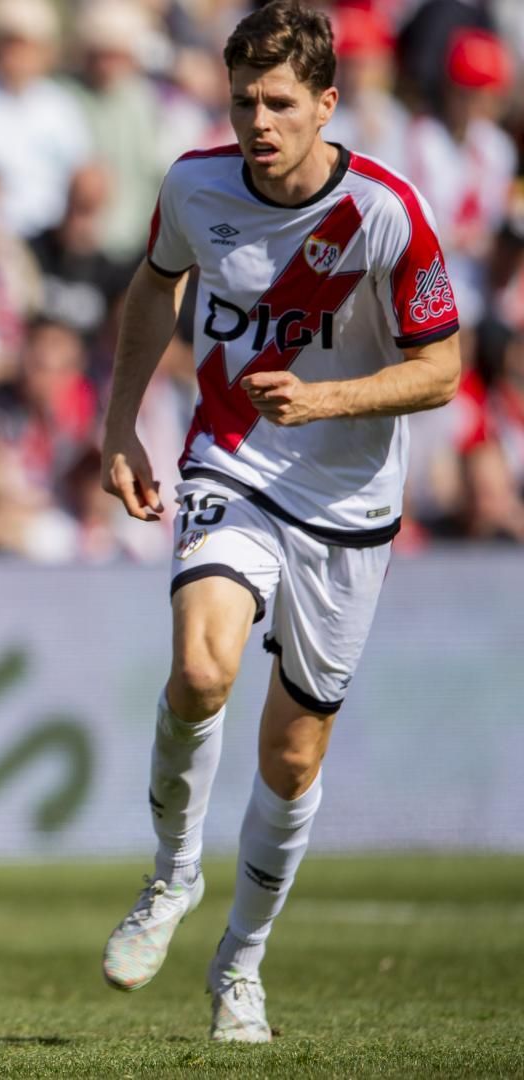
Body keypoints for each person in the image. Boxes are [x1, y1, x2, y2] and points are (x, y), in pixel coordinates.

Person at [96, 2, 461, 1042]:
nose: (257, 122)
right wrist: (120, 427)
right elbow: (152, 290)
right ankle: (171, 879)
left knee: (294, 756)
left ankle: (240, 965)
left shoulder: (388, 212)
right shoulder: (193, 185)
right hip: (235, 463)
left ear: (326, 105)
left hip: (350, 502)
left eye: (279, 103)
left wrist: (332, 400)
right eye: (243, 101)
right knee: (203, 668)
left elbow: (443, 368)